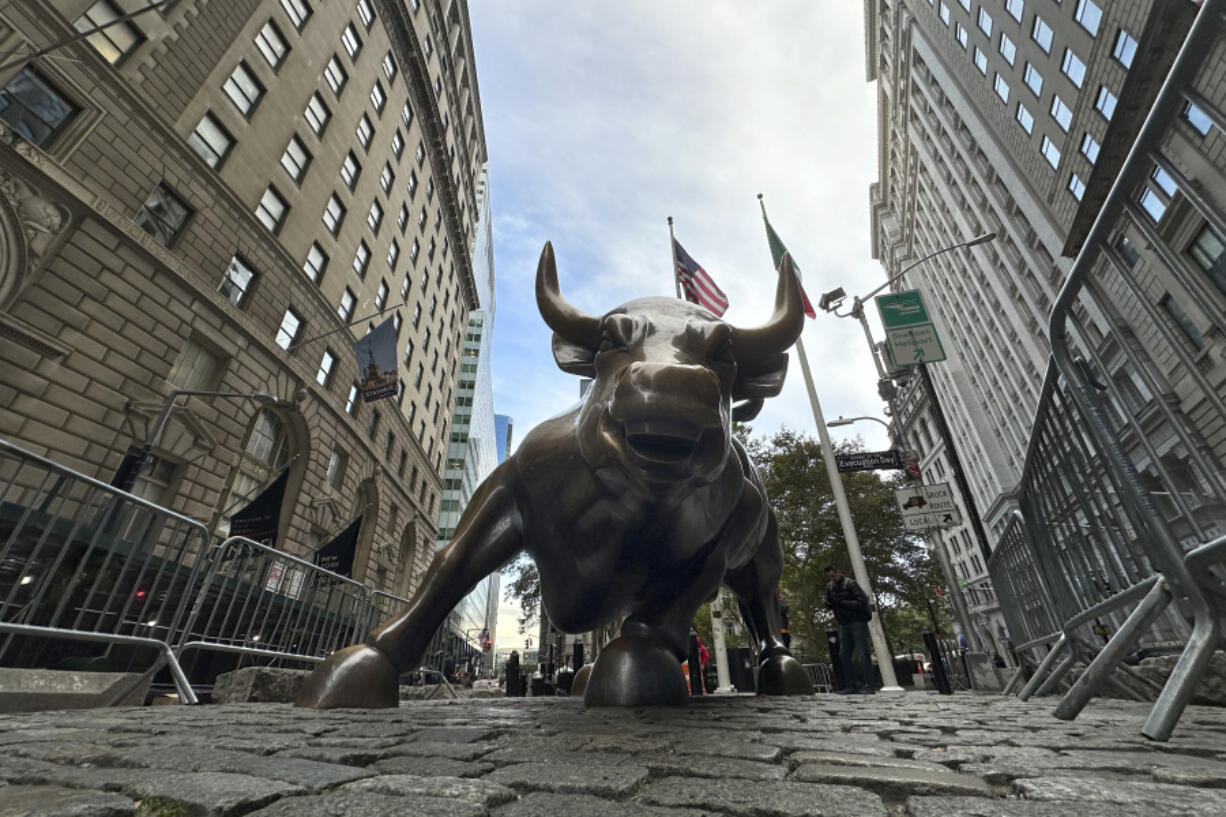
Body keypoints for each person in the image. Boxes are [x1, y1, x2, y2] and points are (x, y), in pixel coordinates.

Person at [825, 564, 875, 694]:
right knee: (844, 655)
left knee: (863, 653)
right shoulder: (830, 586)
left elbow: (861, 602)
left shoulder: (850, 584)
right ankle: (851, 685)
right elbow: (830, 603)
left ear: (839, 572)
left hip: (857, 621)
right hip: (844, 623)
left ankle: (869, 685)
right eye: (830, 577)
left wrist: (842, 602)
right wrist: (830, 603)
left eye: (834, 575)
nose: (833, 578)